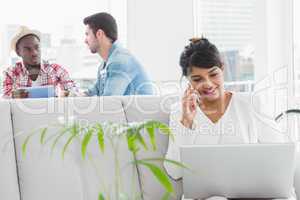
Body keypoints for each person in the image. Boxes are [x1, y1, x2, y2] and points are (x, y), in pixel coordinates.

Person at [163, 38, 296, 200]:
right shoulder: (179, 112)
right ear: (188, 81)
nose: (208, 84)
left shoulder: (250, 105)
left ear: (222, 69)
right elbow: (174, 172)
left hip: (253, 193)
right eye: (198, 79)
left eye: (213, 74)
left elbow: (280, 156)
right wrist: (186, 123)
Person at [83, 12, 154, 96]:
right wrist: (71, 94)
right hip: (123, 109)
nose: (85, 40)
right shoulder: (105, 64)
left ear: (99, 34)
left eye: (87, 34)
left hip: (136, 109)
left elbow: (109, 102)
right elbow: (91, 93)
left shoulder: (120, 61)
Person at [2, 26, 76, 98]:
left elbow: (72, 90)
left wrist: (66, 93)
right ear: (18, 52)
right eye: (28, 49)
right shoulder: (10, 72)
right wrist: (14, 95)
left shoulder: (56, 69)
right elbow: (5, 96)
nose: (34, 53)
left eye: (37, 47)